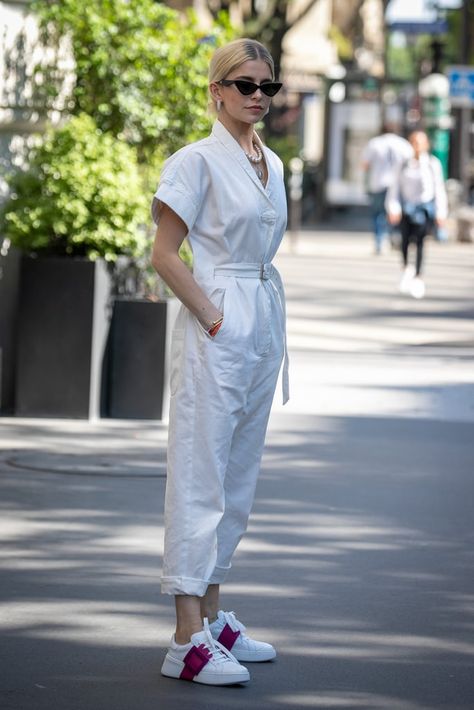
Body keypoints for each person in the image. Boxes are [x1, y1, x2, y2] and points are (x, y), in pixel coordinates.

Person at [150, 38, 288, 686]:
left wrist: (253, 323)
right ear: (217, 91)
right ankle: (185, 638)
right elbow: (165, 253)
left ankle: (211, 612)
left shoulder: (274, 164)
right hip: (221, 317)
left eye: (268, 86)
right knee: (200, 474)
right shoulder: (196, 161)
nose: (257, 96)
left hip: (262, 317)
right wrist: (212, 316)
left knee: (237, 477)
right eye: (245, 84)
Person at [386, 129, 448, 299]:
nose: (417, 146)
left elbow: (439, 189)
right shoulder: (403, 164)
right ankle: (407, 268)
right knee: (405, 240)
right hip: (406, 208)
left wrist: (441, 212)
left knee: (420, 242)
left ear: (426, 145)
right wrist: (393, 208)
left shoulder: (432, 164)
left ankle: (418, 276)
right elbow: (395, 188)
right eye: (414, 142)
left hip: (424, 209)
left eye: (420, 143)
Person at [361, 123, 413, 254]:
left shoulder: (374, 143)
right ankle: (394, 238)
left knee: (378, 214)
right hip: (397, 183)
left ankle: (379, 242)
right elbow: (412, 162)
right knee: (395, 212)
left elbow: (365, 164)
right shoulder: (403, 144)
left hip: (378, 182)